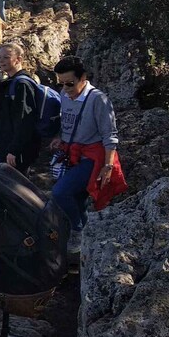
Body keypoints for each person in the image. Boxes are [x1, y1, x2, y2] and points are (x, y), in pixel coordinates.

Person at [50, 56, 128, 254]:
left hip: (93, 158)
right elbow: (67, 123)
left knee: (60, 193)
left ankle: (77, 230)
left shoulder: (98, 100)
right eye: (61, 83)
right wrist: (61, 138)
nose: (66, 88)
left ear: (83, 78)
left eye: (70, 83)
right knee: (77, 199)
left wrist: (108, 166)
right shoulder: (65, 95)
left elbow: (110, 135)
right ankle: (87, 241)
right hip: (72, 153)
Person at [0, 43, 40, 174]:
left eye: (6, 57)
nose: (1, 61)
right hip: (6, 146)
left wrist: (14, 149)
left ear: (18, 59)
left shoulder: (22, 84)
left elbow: (25, 119)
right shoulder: (9, 82)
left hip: (16, 151)